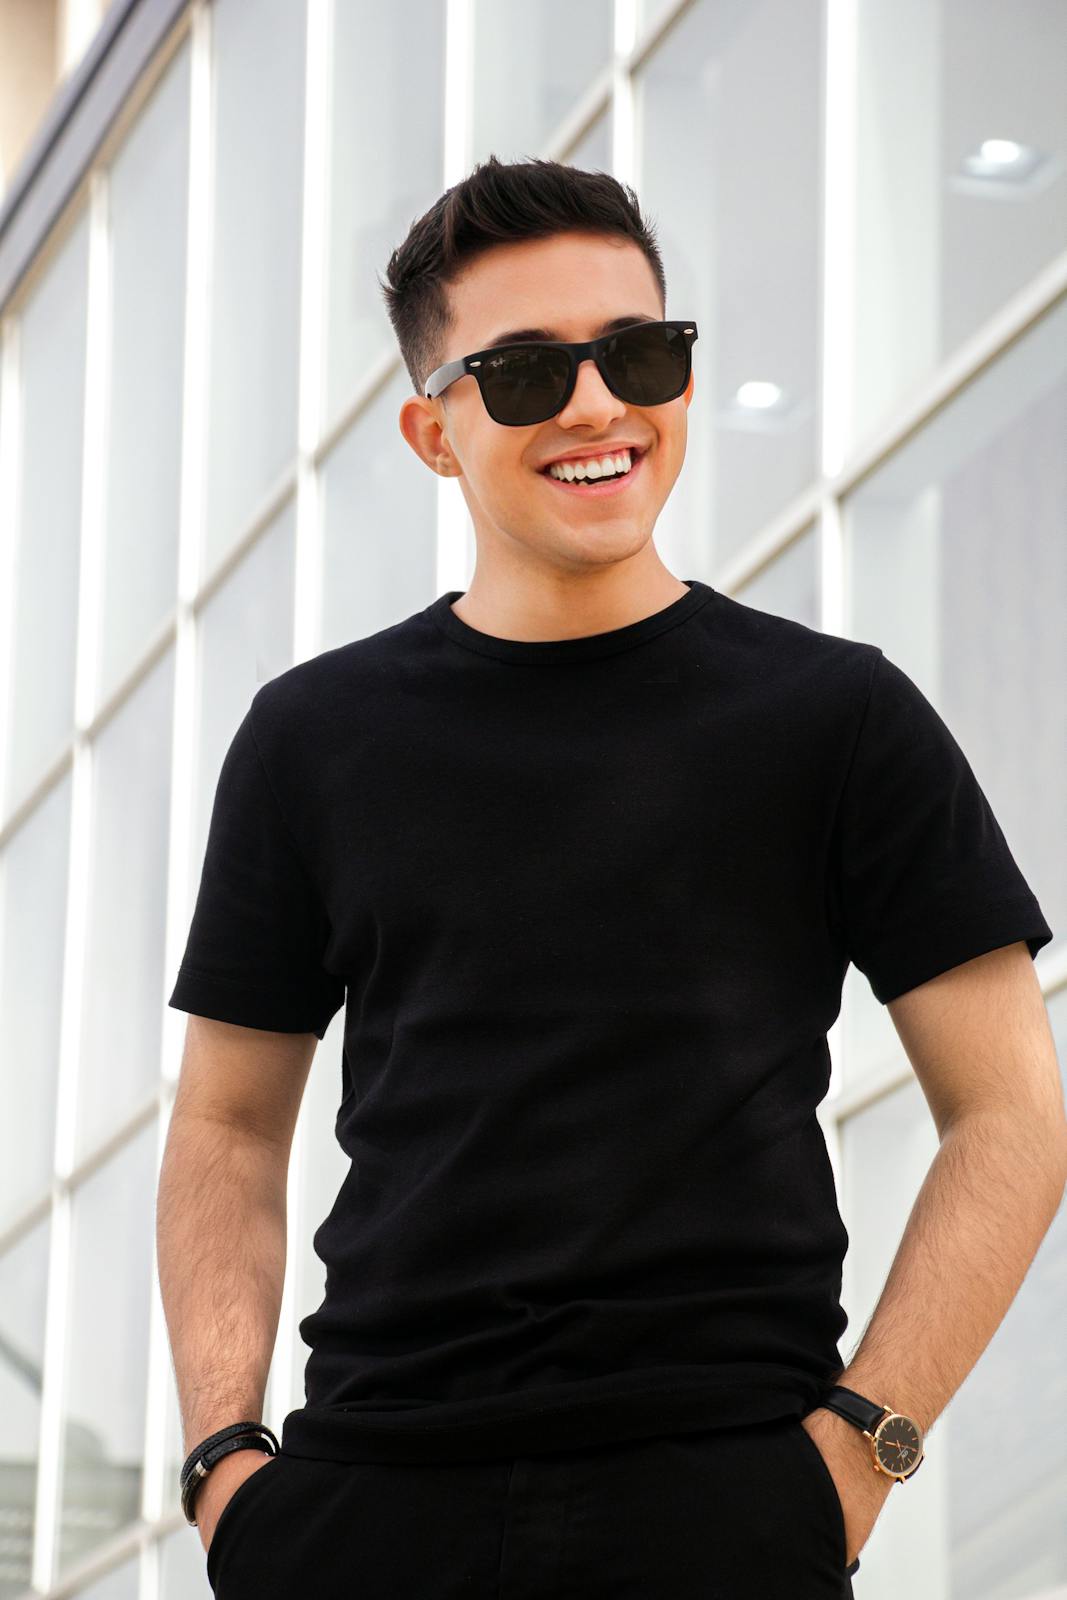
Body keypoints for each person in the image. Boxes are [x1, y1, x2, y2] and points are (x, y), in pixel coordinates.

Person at [157, 156, 1066, 1599]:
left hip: (725, 1504)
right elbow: (226, 1127)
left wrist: (858, 1457)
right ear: (434, 432)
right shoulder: (312, 738)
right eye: (524, 372)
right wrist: (225, 1468)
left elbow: (1012, 1109)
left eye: (638, 354)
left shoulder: (837, 718)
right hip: (370, 1506)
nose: (595, 405)